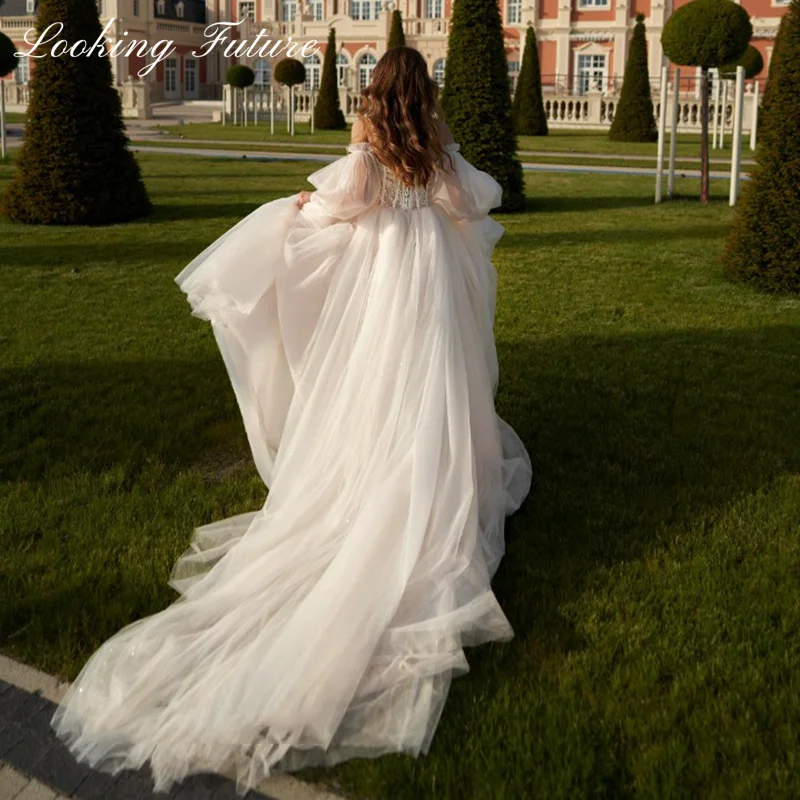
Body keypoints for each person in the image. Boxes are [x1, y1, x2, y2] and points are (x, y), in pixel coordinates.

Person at [50, 46, 532, 795]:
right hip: (427, 273)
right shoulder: (437, 143)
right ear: (426, 90)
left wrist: (308, 209)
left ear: (377, 91)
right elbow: (472, 203)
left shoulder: (371, 138)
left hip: (380, 274)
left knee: (375, 377)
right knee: (435, 375)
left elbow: (342, 205)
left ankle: (378, 465)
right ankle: (431, 469)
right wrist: (435, 189)